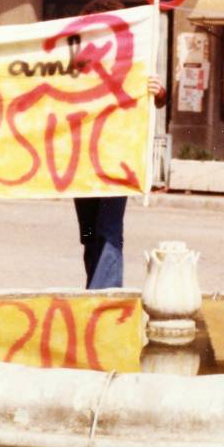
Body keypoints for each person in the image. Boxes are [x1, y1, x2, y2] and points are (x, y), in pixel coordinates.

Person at [74, 77, 166, 290]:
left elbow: (158, 98)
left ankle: (105, 297)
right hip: (83, 162)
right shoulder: (79, 54)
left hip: (117, 157)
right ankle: (94, 290)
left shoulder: (131, 50)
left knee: (108, 229)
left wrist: (159, 92)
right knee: (88, 233)